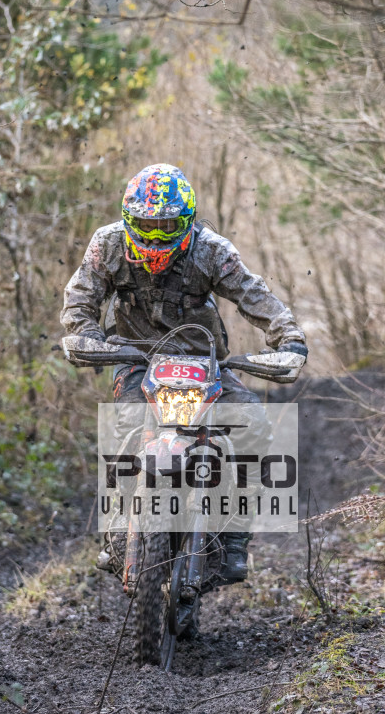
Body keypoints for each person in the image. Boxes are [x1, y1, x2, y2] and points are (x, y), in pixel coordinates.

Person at [61, 163, 308, 582]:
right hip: (138, 360)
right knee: (126, 426)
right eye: (145, 225)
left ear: (188, 221)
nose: (155, 235)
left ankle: (233, 539)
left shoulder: (212, 250)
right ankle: (118, 532)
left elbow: (255, 296)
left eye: (167, 225)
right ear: (127, 219)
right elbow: (80, 301)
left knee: (254, 428)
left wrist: (289, 340)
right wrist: (85, 337)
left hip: (204, 362)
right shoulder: (108, 245)